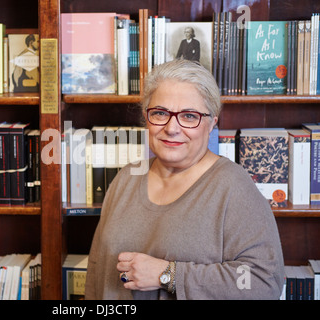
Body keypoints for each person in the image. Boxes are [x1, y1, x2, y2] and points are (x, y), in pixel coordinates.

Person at [85, 59, 285, 300]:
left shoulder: (233, 186)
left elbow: (264, 282)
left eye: (189, 116)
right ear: (146, 118)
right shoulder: (126, 178)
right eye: (160, 113)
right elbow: (97, 270)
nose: (172, 128)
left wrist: (168, 274)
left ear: (212, 123)